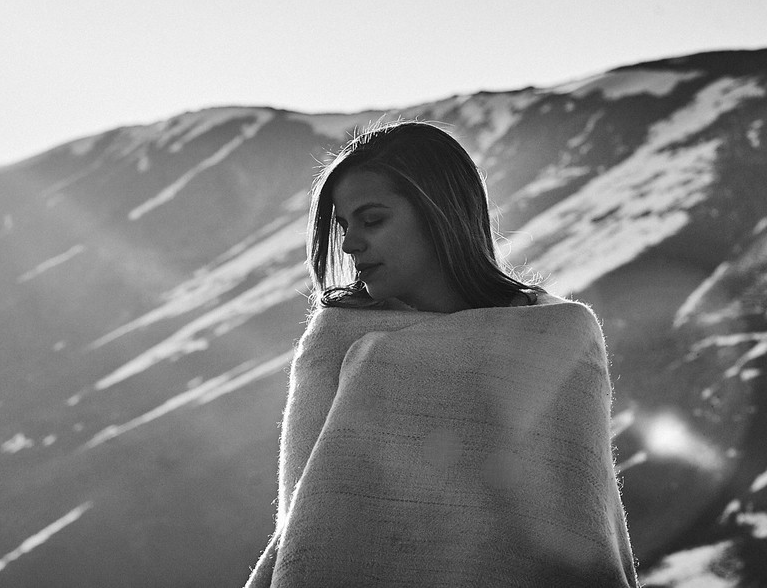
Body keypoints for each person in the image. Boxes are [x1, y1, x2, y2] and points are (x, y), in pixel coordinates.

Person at [244, 120, 638, 587]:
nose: (349, 244)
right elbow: (307, 529)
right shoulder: (335, 339)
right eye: (345, 225)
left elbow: (582, 519)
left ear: (439, 214)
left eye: (372, 220)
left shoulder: (560, 336)